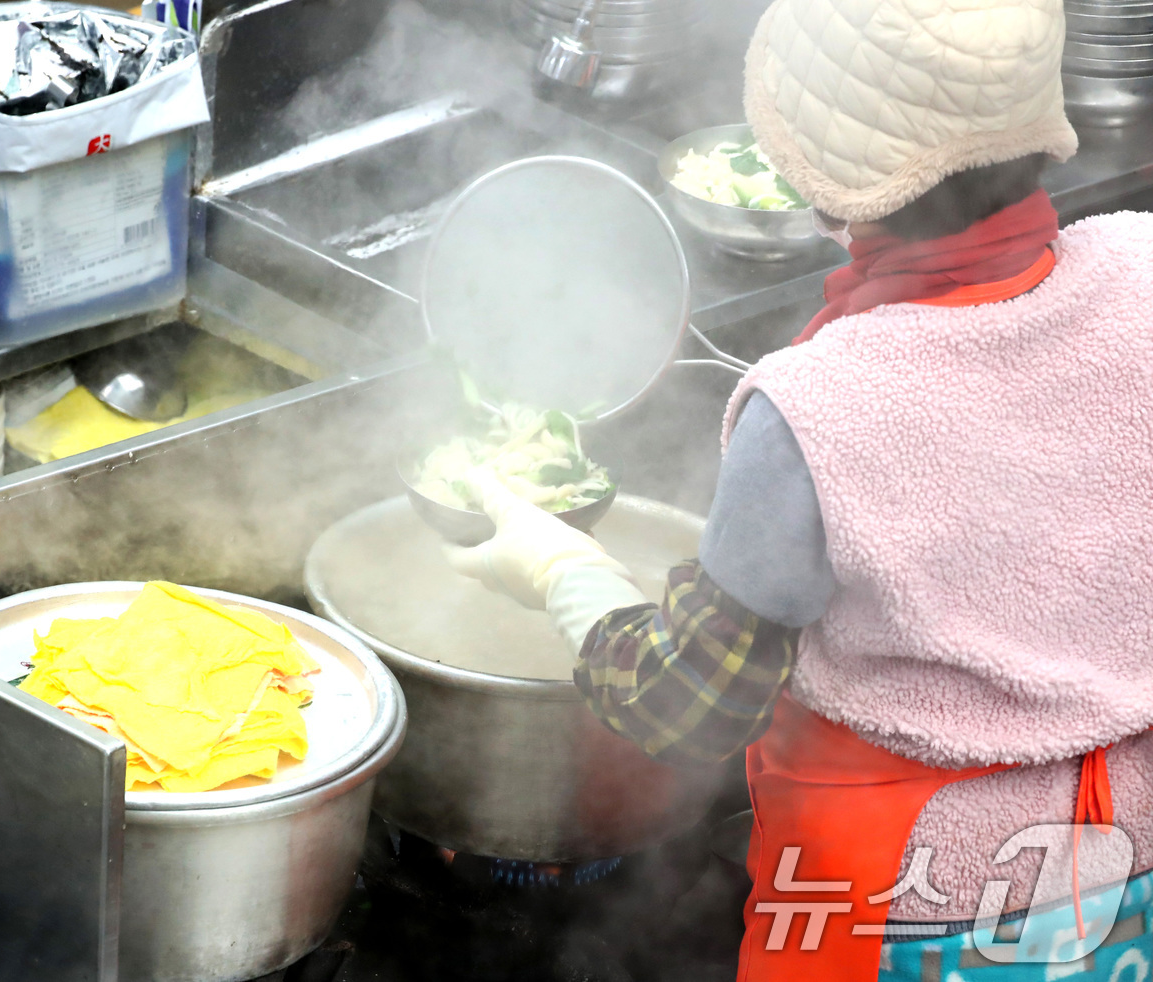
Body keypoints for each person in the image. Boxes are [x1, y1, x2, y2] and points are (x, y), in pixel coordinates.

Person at [443, 0, 1153, 979]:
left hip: (903, 913)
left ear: (813, 177)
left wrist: (562, 569)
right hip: (1127, 876)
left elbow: (691, 707)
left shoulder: (818, 409)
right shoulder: (1140, 274)